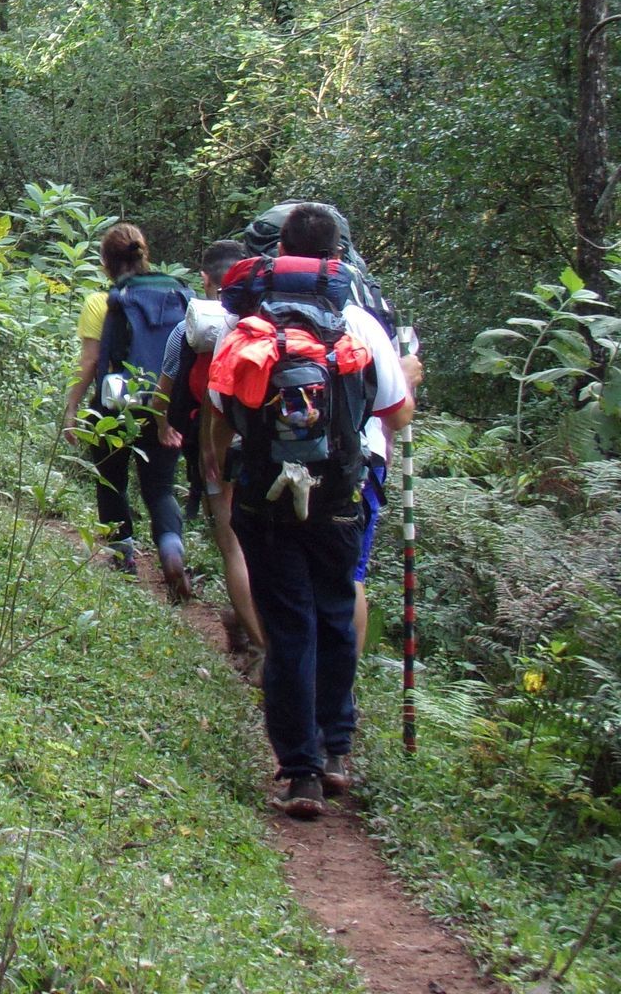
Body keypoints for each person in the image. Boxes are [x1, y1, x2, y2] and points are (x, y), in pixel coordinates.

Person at [206, 203, 421, 819]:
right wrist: (406, 379)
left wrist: (219, 470)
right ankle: (336, 752)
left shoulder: (246, 320)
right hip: (340, 498)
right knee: (332, 615)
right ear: (339, 255)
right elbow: (397, 417)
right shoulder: (361, 323)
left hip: (265, 494)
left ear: (277, 250)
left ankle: (298, 773)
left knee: (290, 625)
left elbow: (221, 410)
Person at [61, 224, 192, 591]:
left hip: (116, 403)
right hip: (165, 406)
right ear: (144, 253)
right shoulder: (177, 297)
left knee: (111, 480)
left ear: (105, 262)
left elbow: (88, 363)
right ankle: (171, 547)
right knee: (161, 488)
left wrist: (72, 408)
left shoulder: (100, 303)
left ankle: (123, 556)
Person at [155, 239, 265, 670]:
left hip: (216, 447)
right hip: (271, 450)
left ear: (205, 278)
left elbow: (163, 392)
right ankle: (252, 628)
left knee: (233, 545)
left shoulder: (192, 328)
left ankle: (260, 647)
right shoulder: (271, 322)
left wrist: (165, 425)